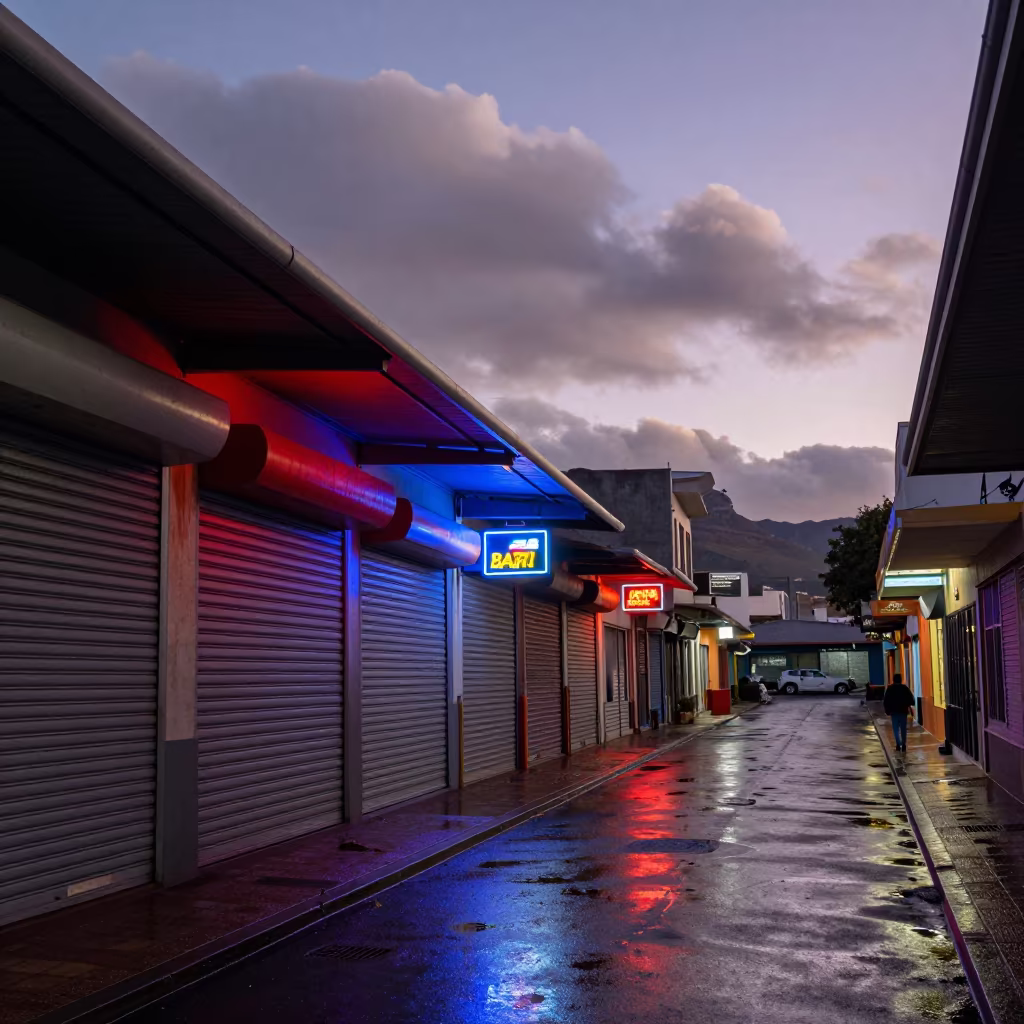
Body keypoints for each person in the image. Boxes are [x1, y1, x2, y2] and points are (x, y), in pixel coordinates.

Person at [883, 673, 915, 753]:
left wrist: (887, 710)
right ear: (900, 680)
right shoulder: (905, 688)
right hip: (903, 712)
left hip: (894, 712)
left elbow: (886, 700)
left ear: (893, 679)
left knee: (896, 729)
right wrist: (908, 704)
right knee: (903, 729)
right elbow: (911, 699)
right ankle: (903, 744)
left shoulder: (890, 689)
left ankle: (898, 744)